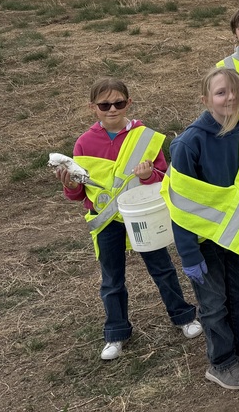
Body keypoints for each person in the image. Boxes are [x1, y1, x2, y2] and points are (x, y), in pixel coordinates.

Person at [57, 78, 201, 361]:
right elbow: (78, 192)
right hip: (106, 221)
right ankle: (115, 332)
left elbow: (163, 178)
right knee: (112, 279)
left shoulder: (146, 137)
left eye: (119, 103)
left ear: (129, 103)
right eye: (105, 105)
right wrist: (70, 186)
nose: (112, 109)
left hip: (140, 214)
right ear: (93, 108)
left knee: (161, 268)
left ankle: (183, 316)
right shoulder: (84, 143)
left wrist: (149, 175)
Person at [163, 68, 239, 391]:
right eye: (220, 93)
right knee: (214, 303)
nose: (230, 98)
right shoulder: (190, 143)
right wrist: (188, 253)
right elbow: (181, 205)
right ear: (205, 100)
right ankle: (222, 361)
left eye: (235, 91)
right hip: (204, 243)